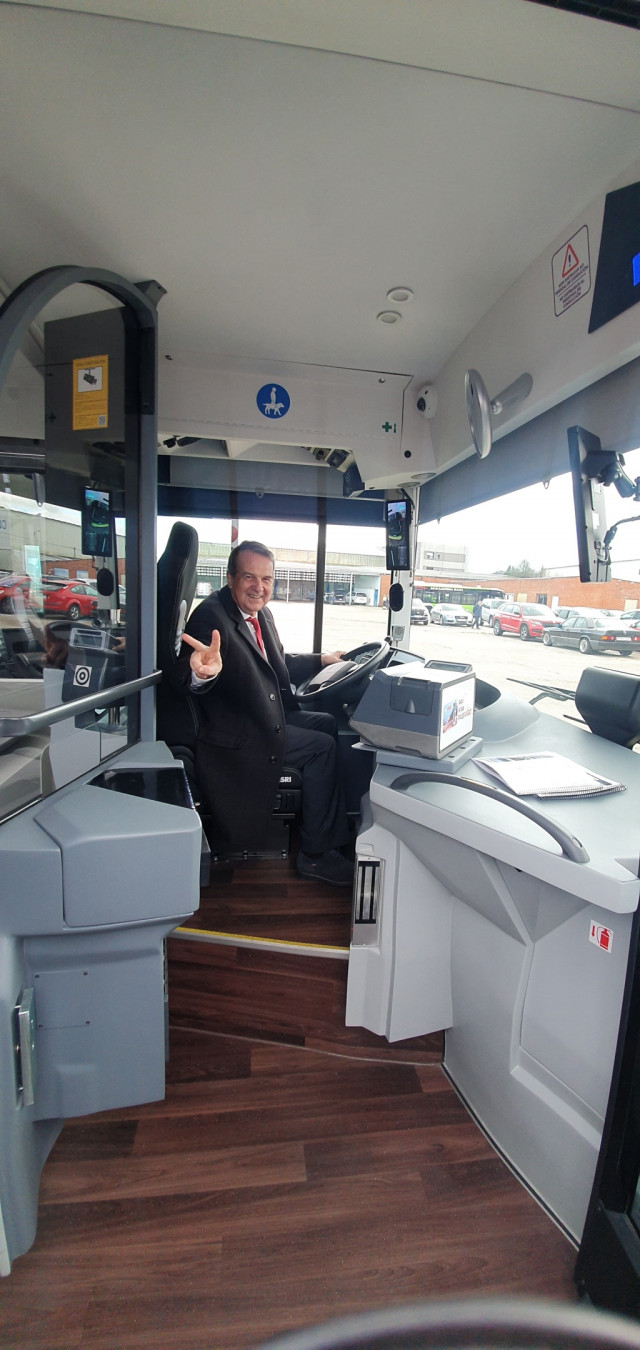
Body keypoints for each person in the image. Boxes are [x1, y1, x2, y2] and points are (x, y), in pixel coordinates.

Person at [174, 541, 353, 887]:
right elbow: (190, 671)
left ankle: (318, 828)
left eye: (267, 579)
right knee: (323, 747)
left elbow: (277, 664)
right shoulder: (211, 618)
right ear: (230, 579)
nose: (259, 587)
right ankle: (315, 856)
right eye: (249, 578)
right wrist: (200, 674)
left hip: (267, 715)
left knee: (328, 724)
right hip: (242, 734)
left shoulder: (260, 614)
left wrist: (321, 660)